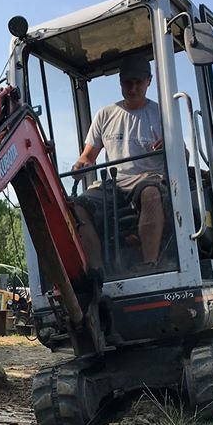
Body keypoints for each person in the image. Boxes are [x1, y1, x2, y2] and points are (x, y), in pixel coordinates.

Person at [72, 54, 165, 272]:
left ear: (149, 81)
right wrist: (80, 166)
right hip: (115, 183)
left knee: (150, 194)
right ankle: (97, 273)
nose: (132, 89)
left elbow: (183, 155)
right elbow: (88, 156)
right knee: (76, 206)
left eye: (138, 83)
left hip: (149, 178)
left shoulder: (161, 115)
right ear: (120, 82)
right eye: (127, 83)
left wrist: (168, 147)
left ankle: (149, 265)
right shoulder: (105, 115)